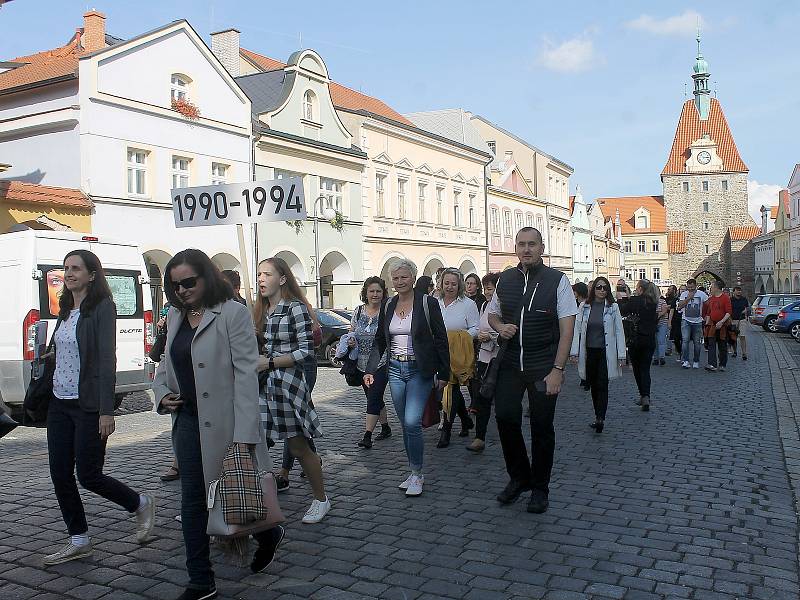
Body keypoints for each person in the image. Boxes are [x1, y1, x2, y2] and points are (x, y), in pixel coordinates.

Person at [153, 249, 283, 599]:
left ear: (206, 277)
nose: (181, 290)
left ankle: (267, 533)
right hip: (187, 422)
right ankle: (200, 580)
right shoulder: (177, 316)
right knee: (193, 502)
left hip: (226, 424)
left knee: (231, 495)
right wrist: (162, 393)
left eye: (188, 282)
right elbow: (165, 366)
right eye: (174, 284)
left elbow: (246, 376)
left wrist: (245, 435)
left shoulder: (232, 314)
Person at [43, 250, 156, 566]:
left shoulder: (103, 307)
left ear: (92, 275)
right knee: (59, 474)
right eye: (66, 268)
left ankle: (139, 503)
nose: (69, 273)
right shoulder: (65, 308)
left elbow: (107, 358)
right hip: (59, 402)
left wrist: (107, 410)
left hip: (89, 404)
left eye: (76, 268)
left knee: (89, 475)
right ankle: (78, 538)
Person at [487, 228, 577, 514]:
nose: (526, 250)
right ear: (515, 248)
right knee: (505, 418)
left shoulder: (557, 280)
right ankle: (519, 477)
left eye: (532, 245)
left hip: (542, 365)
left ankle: (540, 488)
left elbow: (567, 329)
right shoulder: (507, 279)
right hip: (511, 364)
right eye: (522, 245)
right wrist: (500, 327)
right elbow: (492, 312)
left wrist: (558, 369)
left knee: (541, 427)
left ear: (542, 248)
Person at [364, 259, 449, 497]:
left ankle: (418, 473)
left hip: (419, 370)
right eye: (396, 278)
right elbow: (381, 339)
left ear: (413, 278)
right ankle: (412, 472)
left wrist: (444, 373)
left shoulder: (427, 302)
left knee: (412, 422)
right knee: (405, 424)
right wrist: (371, 369)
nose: (400, 282)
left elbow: (441, 339)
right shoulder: (389, 304)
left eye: (404, 277)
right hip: (394, 370)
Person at [254, 257, 330, 523]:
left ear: (282, 279)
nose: (261, 279)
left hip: (288, 384)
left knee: (298, 447)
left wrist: (271, 361)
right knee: (254, 443)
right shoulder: (259, 310)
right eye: (259, 274)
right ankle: (254, 501)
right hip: (264, 386)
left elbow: (306, 350)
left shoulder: (295, 308)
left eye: (267, 274)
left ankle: (321, 499)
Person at [570, 277, 626, 433]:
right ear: (593, 289)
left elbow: (619, 331)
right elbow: (577, 331)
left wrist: (621, 354)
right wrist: (574, 351)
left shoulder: (613, 307)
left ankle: (601, 417)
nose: (602, 290)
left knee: (602, 384)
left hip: (605, 352)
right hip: (589, 352)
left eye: (605, 288)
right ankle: (597, 415)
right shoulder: (584, 306)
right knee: (593, 384)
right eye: (599, 287)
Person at [436, 267, 479, 448]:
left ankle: (446, 430)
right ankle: (465, 419)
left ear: (459, 285)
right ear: (441, 283)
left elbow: (476, 327)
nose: (450, 287)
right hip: (438, 352)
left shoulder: (467, 304)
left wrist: (460, 338)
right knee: (447, 389)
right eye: (447, 283)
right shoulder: (433, 302)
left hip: (459, 353)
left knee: (450, 390)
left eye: (454, 283)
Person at [350, 276, 392, 449]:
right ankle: (385, 427)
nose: (375, 294)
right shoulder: (359, 311)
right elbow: (351, 331)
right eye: (372, 291)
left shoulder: (388, 310)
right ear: (365, 293)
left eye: (378, 291)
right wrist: (351, 340)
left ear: (383, 293)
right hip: (361, 363)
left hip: (381, 362)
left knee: (373, 397)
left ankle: (367, 435)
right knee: (373, 397)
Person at [468, 272, 500, 453]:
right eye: (486, 289)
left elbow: (508, 332)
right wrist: (479, 336)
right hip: (484, 358)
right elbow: (479, 328)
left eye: (490, 289)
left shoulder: (503, 307)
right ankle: (479, 437)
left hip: (498, 359)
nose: (488, 293)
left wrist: (491, 336)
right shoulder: (485, 306)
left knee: (501, 402)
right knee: (482, 398)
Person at [618, 280, 658, 411]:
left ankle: (642, 395)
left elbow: (623, 311)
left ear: (640, 289)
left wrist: (621, 300)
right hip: (650, 339)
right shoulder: (653, 302)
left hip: (636, 339)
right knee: (645, 369)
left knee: (637, 368)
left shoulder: (635, 300)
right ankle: (646, 396)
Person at [677, 278, 709, 369]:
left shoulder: (702, 294)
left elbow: (708, 305)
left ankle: (696, 361)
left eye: (692, 287)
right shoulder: (684, 294)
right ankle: (686, 360)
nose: (690, 289)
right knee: (685, 341)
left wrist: (706, 315)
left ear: (695, 286)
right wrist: (688, 298)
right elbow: (680, 306)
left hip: (698, 321)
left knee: (697, 342)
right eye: (688, 287)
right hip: (686, 320)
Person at [703, 280, 732, 372]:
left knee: (722, 345)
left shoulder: (725, 298)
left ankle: (722, 364)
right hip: (712, 324)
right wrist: (706, 324)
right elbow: (709, 312)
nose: (710, 288)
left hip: (722, 325)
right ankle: (712, 364)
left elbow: (728, 312)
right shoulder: (711, 299)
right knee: (711, 344)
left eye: (711, 286)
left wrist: (722, 322)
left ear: (716, 288)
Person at [572, 282, 590, 390]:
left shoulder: (586, 304)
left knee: (586, 357)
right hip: (577, 333)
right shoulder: (574, 303)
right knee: (582, 357)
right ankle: (584, 378)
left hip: (585, 334)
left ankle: (587, 379)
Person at [729, 286, 750, 360]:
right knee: (733, 337)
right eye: (737, 291)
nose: (739, 292)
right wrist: (730, 320)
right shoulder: (730, 300)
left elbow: (747, 308)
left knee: (742, 336)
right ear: (734, 292)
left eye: (740, 291)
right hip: (733, 320)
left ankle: (744, 353)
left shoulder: (744, 299)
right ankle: (735, 351)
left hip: (742, 319)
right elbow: (728, 311)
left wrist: (746, 311)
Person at [653, 290, 670, 366]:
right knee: (654, 342)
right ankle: (656, 358)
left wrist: (656, 316)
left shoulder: (662, 301)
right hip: (653, 324)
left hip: (662, 323)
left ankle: (662, 357)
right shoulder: (650, 301)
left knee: (661, 340)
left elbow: (664, 311)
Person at [665, 284, 681, 360]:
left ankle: (676, 350)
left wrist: (669, 321)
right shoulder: (667, 298)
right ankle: (670, 349)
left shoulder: (676, 299)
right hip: (668, 317)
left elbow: (671, 309)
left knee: (675, 335)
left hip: (676, 319)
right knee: (670, 335)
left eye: (669, 289)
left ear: (674, 290)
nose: (668, 291)